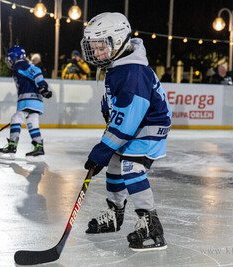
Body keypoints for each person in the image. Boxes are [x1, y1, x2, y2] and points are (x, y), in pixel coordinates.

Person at [80, 12, 171, 251]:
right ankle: (114, 214)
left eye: (101, 47)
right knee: (114, 165)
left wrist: (102, 149)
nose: (96, 53)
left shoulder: (133, 71)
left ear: (118, 41)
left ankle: (151, 224)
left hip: (149, 126)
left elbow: (128, 121)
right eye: (93, 48)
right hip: (134, 125)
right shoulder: (118, 65)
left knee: (131, 167)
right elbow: (117, 105)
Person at [0, 45, 52, 160]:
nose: (9, 61)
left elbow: (36, 70)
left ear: (14, 56)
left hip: (28, 100)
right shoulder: (21, 65)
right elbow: (34, 73)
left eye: (9, 58)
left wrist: (42, 86)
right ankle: (38, 147)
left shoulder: (19, 64)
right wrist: (43, 88)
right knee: (32, 122)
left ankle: (12, 145)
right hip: (36, 101)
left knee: (16, 118)